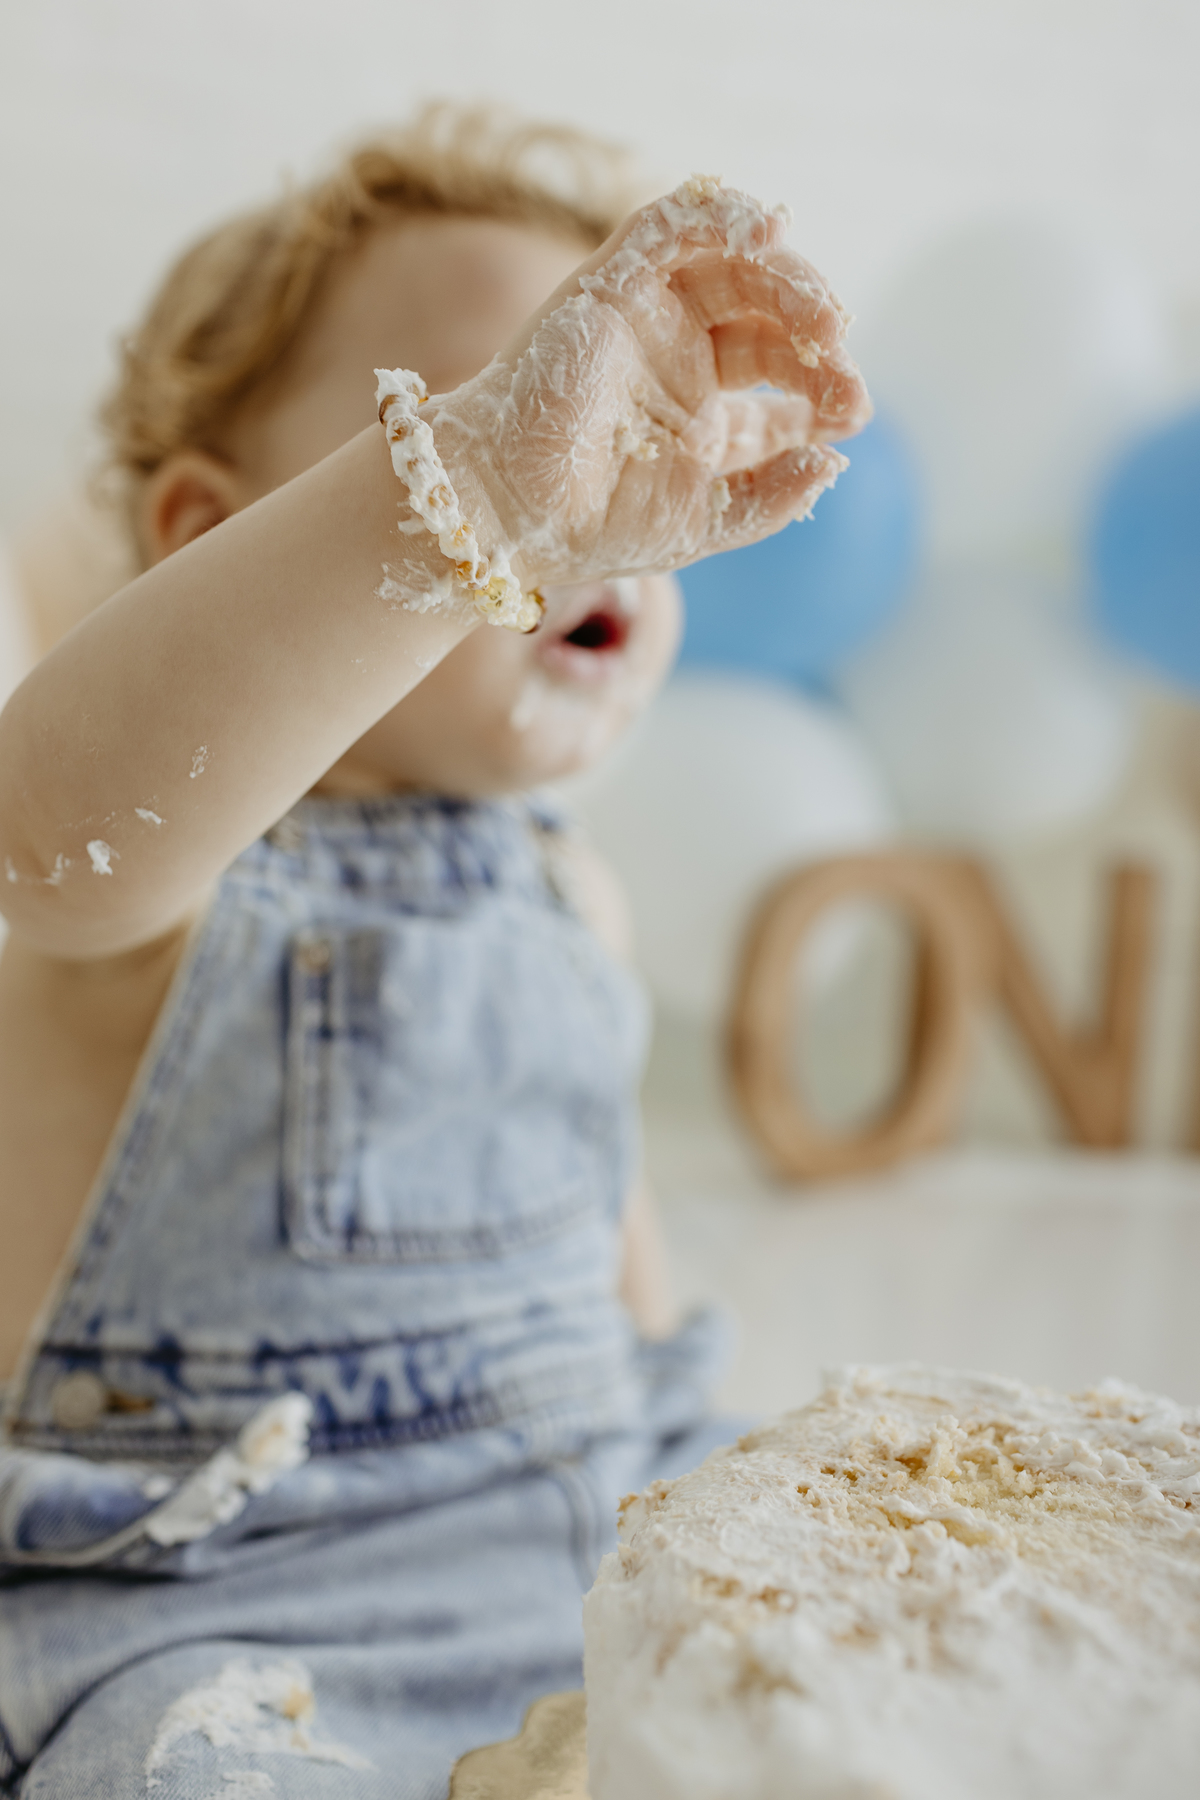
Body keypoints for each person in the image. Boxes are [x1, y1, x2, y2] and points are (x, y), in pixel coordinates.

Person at [0, 104, 868, 1797]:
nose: (594, 480)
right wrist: (470, 493)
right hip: (221, 1623)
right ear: (206, 538)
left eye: (631, 433)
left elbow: (625, 1322)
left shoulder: (569, 898)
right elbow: (47, 842)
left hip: (592, 1569)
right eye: (526, 403)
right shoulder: (166, 863)